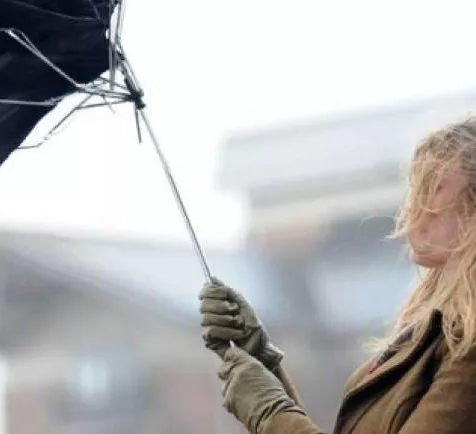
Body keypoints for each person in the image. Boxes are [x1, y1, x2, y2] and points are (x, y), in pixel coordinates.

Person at [199, 116, 476, 434]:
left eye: (434, 193)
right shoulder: (436, 332)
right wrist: (260, 360)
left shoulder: (468, 347)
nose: (413, 211)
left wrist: (269, 412)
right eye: (418, 193)